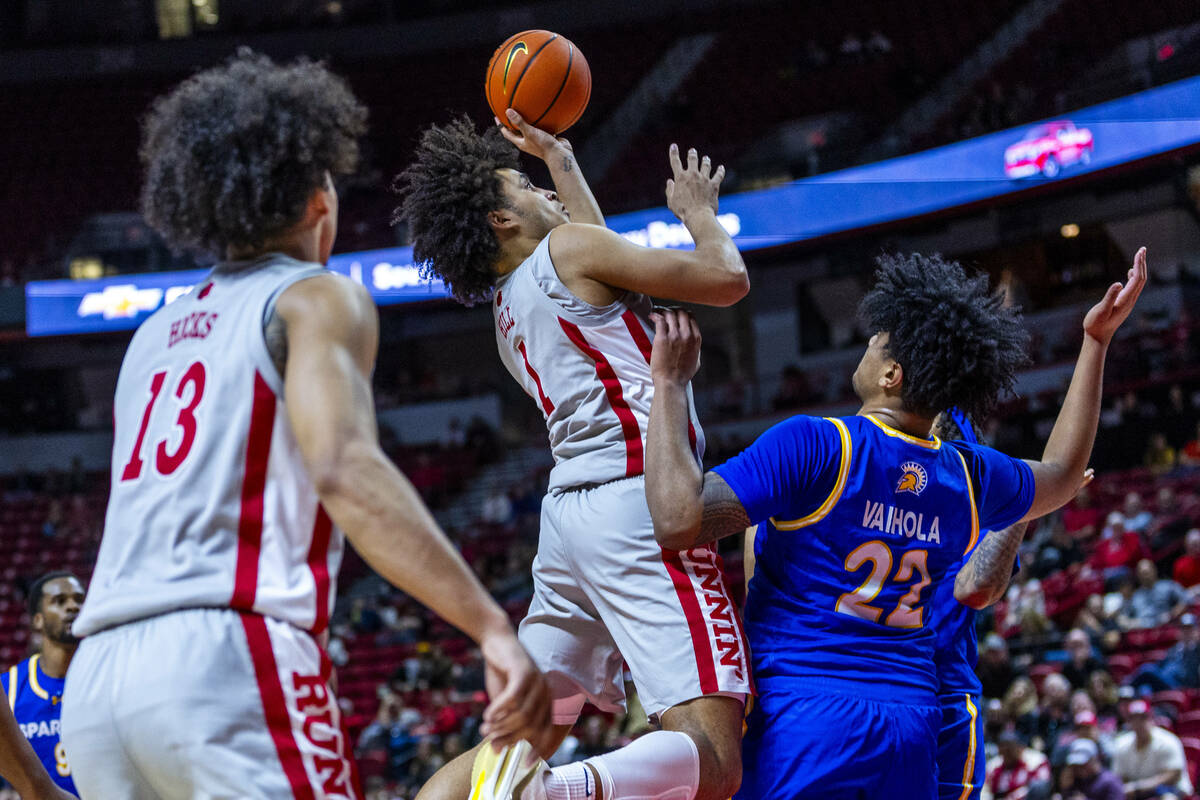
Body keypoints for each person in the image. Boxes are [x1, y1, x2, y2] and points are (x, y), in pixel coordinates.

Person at [59, 51, 550, 800]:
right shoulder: (316, 296)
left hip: (96, 685)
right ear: (319, 198)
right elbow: (343, 468)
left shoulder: (148, 337)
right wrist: (489, 626)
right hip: (225, 655)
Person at [645, 248, 1148, 798]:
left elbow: (677, 521)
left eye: (876, 340)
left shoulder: (816, 445)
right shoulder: (967, 474)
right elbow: (1063, 472)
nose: (865, 344)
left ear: (891, 373)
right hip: (911, 720)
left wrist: (668, 385)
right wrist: (1095, 343)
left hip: (808, 712)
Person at [396, 111, 750, 800]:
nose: (544, 193)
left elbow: (601, 256)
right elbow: (725, 277)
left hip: (569, 524)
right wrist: (701, 214)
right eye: (523, 185)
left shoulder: (508, 307)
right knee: (715, 758)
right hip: (639, 506)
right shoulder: (569, 256)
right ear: (502, 220)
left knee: (513, 745)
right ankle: (553, 796)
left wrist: (560, 159)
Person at [1, 573, 85, 796]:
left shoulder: (108, 677)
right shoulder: (9, 688)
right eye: (60, 601)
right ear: (37, 619)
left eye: (79, 599)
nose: (73, 607)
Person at [1112, 699, 1192, 799]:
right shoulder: (1122, 743)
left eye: (1143, 718)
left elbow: (1174, 775)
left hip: (1169, 789)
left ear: (1152, 719)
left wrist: (1140, 787)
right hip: (1137, 793)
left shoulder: (1168, 741)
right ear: (1128, 721)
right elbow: (1120, 776)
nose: (1139, 722)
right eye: (1135, 718)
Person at [983, 731, 1051, 800]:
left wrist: (1012, 797)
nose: (1007, 754)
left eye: (1010, 750)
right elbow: (984, 792)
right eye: (1004, 751)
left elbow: (1040, 788)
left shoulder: (1036, 761)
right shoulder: (994, 766)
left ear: (1020, 747)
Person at [1128, 559, 1187, 629]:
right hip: (1143, 632)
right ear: (1138, 575)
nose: (1145, 576)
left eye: (1147, 572)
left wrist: (1173, 614)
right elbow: (1128, 617)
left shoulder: (1168, 586)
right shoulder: (1135, 596)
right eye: (1142, 573)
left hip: (1167, 628)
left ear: (1154, 570)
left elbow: (1185, 599)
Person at [1059, 738, 1123, 800]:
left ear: (1094, 759)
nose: (1078, 768)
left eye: (1083, 764)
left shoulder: (1110, 782)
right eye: (1075, 764)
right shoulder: (1076, 781)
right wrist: (1065, 789)